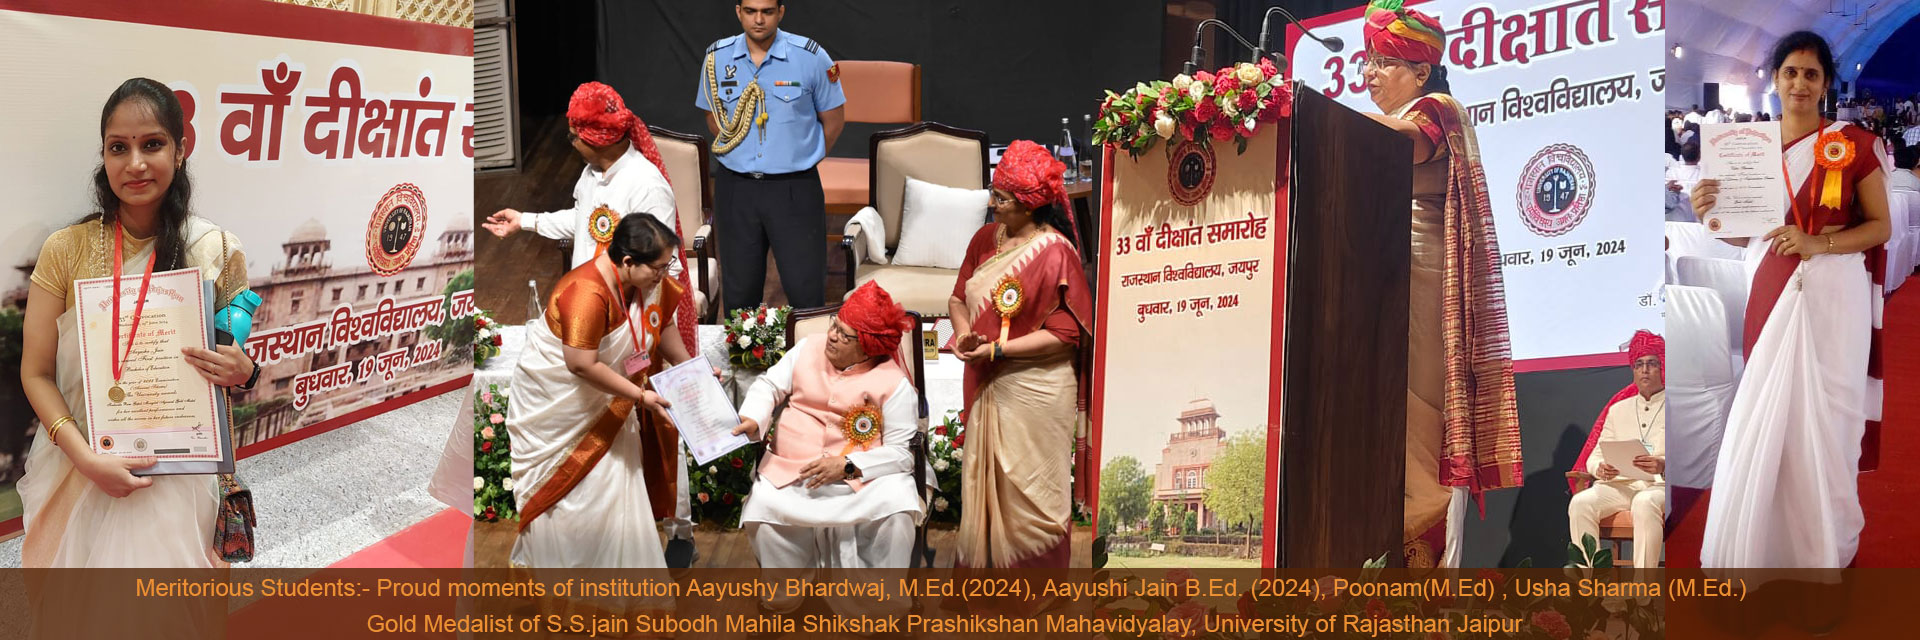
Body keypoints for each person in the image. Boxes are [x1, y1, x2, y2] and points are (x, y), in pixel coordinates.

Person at [19, 78, 259, 569]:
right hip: (79, 464)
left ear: (181, 149)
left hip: (177, 477)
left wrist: (244, 371)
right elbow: (35, 373)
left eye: (152, 144)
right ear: (103, 155)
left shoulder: (215, 248)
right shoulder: (65, 250)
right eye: (118, 147)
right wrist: (86, 460)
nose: (134, 163)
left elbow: (228, 368)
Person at [1693, 31, 1893, 568]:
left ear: (1826, 83)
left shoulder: (1854, 144)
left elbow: (1880, 227)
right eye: (1790, 72)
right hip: (1769, 289)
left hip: (1835, 298)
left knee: (1828, 425)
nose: (1800, 83)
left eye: (1811, 74)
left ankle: (1822, 557)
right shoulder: (1746, 147)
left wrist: (1816, 242)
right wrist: (1708, 213)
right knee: (1767, 411)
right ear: (1776, 80)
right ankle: (1762, 553)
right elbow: (1744, 234)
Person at [481, 82, 700, 564]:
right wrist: (529, 221)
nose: (570, 141)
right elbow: (583, 223)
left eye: (574, 134)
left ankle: (672, 531)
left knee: (653, 431)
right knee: (609, 452)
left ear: (593, 139)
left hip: (632, 324)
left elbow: (662, 266)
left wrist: (654, 346)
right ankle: (604, 546)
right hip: (589, 316)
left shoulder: (646, 185)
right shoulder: (590, 175)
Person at [1355, 0, 1522, 570]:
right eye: (1367, 62)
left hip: (1423, 285)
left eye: (1382, 62)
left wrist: (1325, 121)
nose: (1368, 74)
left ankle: (1425, 594)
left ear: (1420, 71)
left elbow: (1406, 141)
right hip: (1382, 285)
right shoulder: (1395, 117)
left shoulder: (1437, 108)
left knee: (1418, 435)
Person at [507, 213, 695, 576]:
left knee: (618, 491)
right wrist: (641, 398)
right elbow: (580, 364)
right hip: (563, 409)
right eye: (658, 267)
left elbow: (662, 321)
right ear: (627, 262)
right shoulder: (586, 292)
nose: (663, 274)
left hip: (611, 400)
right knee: (574, 502)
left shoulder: (644, 281)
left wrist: (691, 369)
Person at [730, 282, 923, 613]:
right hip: (793, 469)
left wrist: (845, 465)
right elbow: (769, 385)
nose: (832, 336)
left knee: (897, 508)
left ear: (867, 347)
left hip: (862, 480)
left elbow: (901, 454)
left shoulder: (895, 383)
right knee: (763, 506)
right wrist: (753, 417)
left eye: (844, 335)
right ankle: (784, 598)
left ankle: (880, 606)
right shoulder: (808, 348)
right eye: (835, 325)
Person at [947, 140, 1092, 568]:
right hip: (985, 379)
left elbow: (1067, 334)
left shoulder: (1055, 253)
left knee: (1034, 494)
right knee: (983, 486)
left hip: (1038, 390)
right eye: (993, 192)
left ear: (1029, 206)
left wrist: (997, 349)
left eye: (1001, 198)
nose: (991, 204)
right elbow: (958, 298)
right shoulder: (984, 239)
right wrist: (965, 336)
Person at [696, 0, 846, 313]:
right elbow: (714, 118)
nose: (759, 20)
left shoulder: (811, 57)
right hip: (736, 188)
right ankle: (741, 360)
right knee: (739, 292)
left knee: (805, 290)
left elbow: (833, 121)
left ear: (781, 12)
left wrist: (799, 158)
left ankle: (805, 361)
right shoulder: (716, 58)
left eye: (767, 11)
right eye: (750, 11)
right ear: (738, 12)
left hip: (794, 188)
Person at [1567, 331, 1667, 569]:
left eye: (1652, 363)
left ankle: (1644, 593)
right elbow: (1595, 456)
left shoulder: (1680, 405)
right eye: (1639, 364)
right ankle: (1588, 587)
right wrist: (1600, 469)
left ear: (1663, 367)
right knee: (1581, 502)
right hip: (1619, 486)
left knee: (1644, 502)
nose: (1644, 370)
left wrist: (1664, 464)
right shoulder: (1618, 409)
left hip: (1660, 487)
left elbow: (1692, 457)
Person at [1667, 140, 1704, 222]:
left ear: (1682, 156)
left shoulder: (1671, 174)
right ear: (1699, 156)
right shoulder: (1705, 174)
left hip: (1676, 223)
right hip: (1701, 223)